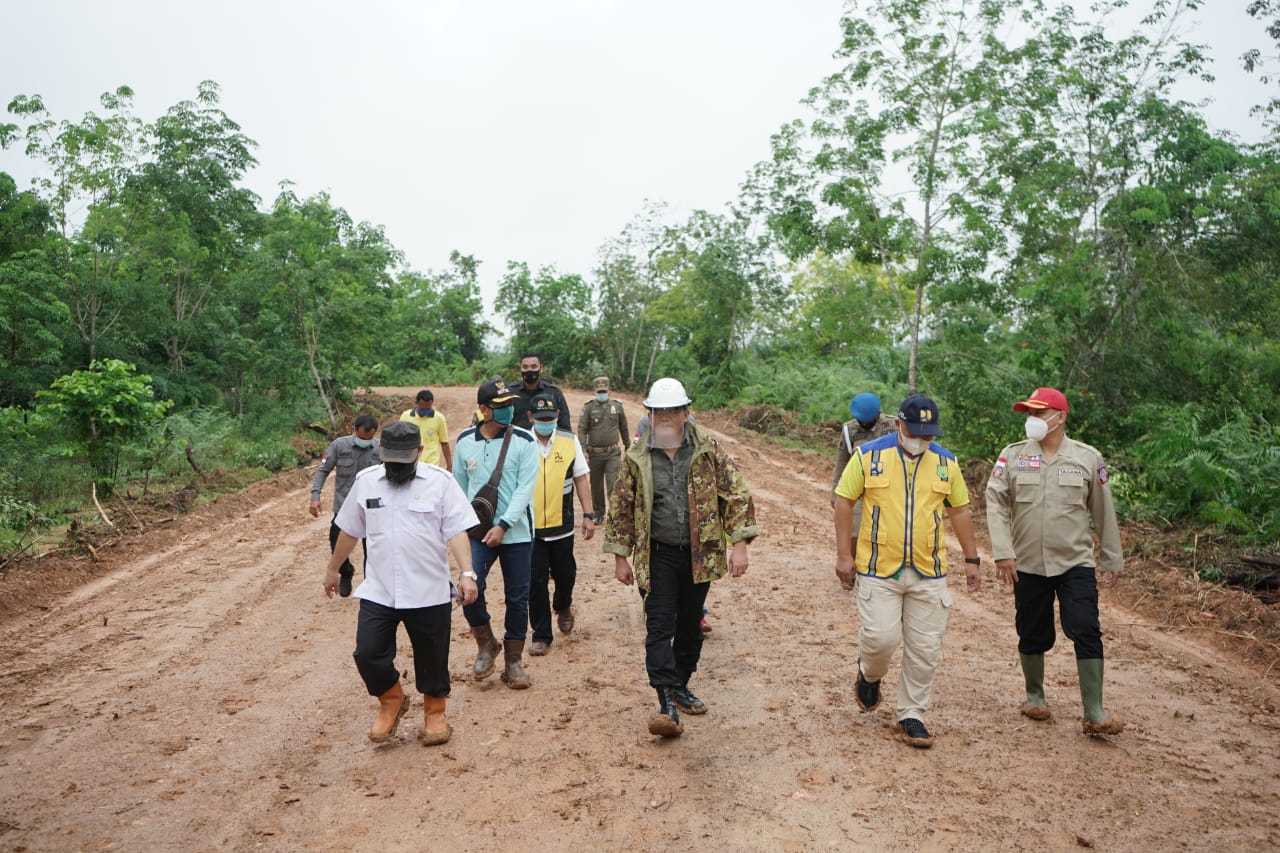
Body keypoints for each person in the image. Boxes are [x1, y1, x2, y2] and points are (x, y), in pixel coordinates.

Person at [605, 377, 759, 738]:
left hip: (699, 554)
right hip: (657, 554)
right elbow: (621, 506)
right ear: (651, 414)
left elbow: (736, 495)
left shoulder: (708, 450)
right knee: (659, 627)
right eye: (659, 412)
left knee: (690, 627)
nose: (665, 418)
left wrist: (739, 544)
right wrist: (620, 556)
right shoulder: (638, 457)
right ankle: (666, 704)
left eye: (672, 411)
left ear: (686, 413)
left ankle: (680, 683)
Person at [834, 394, 982, 749]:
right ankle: (869, 675)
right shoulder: (869, 456)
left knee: (925, 648)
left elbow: (959, 511)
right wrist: (843, 555)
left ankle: (912, 714)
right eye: (916, 432)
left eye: (928, 435)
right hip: (878, 568)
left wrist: (972, 559)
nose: (922, 441)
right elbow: (844, 500)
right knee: (880, 639)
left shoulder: (946, 463)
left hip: (929, 570)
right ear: (898, 425)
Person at [323, 421, 479, 745]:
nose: (395, 466)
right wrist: (334, 568)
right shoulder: (367, 483)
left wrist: (467, 573)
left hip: (428, 589)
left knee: (432, 657)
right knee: (367, 653)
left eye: (403, 460)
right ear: (381, 452)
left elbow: (456, 531)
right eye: (390, 458)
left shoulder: (441, 483)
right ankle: (391, 699)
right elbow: (350, 530)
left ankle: (435, 714)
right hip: (380, 589)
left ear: (419, 452)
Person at [984, 387, 1126, 736]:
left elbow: (1102, 510)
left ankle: (1094, 711)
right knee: (1032, 631)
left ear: (1059, 417)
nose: (1031, 420)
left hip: (1075, 561)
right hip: (1028, 562)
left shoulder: (1087, 458)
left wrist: (1112, 557)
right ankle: (1035, 697)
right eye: (1028, 414)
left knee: (1086, 628)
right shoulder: (1013, 455)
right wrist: (1003, 552)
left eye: (1038, 413)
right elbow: (996, 501)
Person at [453, 378, 540, 688]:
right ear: (484, 410)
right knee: (468, 589)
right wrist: (461, 530)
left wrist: (503, 525)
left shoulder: (525, 442)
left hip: (516, 534)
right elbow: (458, 491)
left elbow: (524, 490)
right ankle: (486, 641)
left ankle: (514, 661)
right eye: (501, 406)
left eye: (510, 404)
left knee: (518, 597)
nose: (509, 410)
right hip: (476, 533)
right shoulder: (464, 442)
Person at [528, 394, 595, 655]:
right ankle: (541, 634)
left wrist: (588, 514)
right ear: (530, 417)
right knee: (536, 581)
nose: (547, 423)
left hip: (562, 525)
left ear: (557, 416)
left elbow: (581, 477)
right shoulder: (521, 442)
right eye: (541, 419)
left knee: (566, 574)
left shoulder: (569, 441)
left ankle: (563, 604)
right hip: (530, 528)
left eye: (551, 419)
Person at [310, 414, 381, 598]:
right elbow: (323, 470)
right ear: (354, 430)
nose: (365, 442)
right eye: (362, 438)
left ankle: (370, 587)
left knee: (372, 548)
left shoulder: (380, 448)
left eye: (369, 438)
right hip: (343, 507)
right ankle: (346, 570)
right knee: (336, 540)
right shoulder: (339, 446)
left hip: (372, 508)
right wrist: (315, 495)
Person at [830, 392, 896, 589]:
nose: (864, 423)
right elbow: (841, 460)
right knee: (853, 529)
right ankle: (848, 571)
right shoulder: (849, 430)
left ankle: (882, 570)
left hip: (887, 486)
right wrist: (835, 490)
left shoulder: (893, 426)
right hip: (857, 486)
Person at [577, 375, 629, 522]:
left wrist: (628, 446)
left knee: (614, 483)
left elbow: (624, 428)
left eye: (604, 391)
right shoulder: (588, 408)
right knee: (596, 486)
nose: (601, 394)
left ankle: (614, 514)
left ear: (609, 390)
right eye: (599, 391)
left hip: (613, 453)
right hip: (594, 454)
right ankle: (599, 513)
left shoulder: (617, 407)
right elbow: (582, 429)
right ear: (594, 391)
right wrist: (582, 449)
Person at [511, 351, 571, 431]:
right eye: (525, 367)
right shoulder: (510, 392)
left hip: (547, 441)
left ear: (541, 368)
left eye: (534, 366)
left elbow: (564, 426)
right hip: (517, 441)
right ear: (520, 368)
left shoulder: (554, 393)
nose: (529, 370)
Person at [400, 389, 452, 470]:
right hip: (410, 464)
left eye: (428, 409)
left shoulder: (439, 418)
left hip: (432, 465)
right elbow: (399, 440)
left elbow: (444, 443)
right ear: (416, 403)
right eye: (422, 409)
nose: (425, 411)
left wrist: (449, 466)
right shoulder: (405, 417)